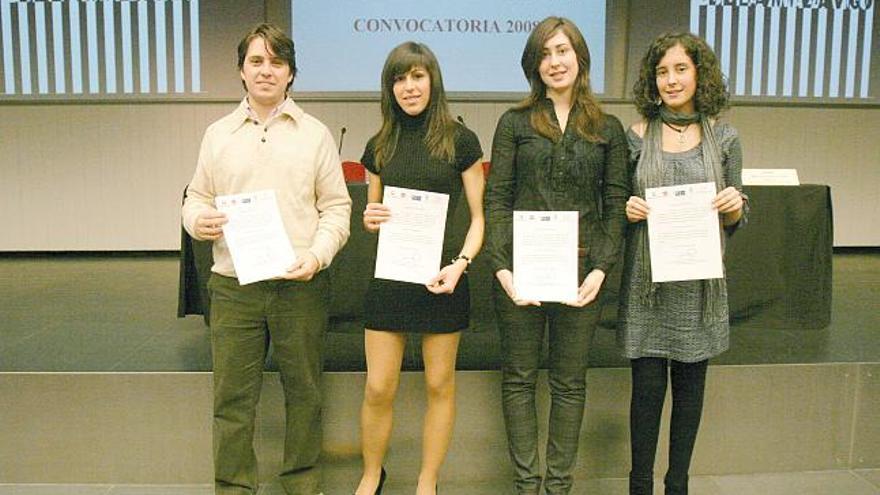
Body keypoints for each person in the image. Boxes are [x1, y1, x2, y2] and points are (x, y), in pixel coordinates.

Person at [181, 23, 351, 495]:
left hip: (300, 285)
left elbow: (337, 208)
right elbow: (195, 197)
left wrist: (317, 256)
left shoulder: (314, 135)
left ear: (291, 73)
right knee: (232, 400)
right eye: (256, 61)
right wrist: (199, 221)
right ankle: (233, 488)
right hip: (234, 286)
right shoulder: (217, 135)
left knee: (305, 395)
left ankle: (301, 485)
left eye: (276, 62)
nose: (266, 71)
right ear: (241, 70)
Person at [484, 16, 629, 495]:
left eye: (563, 50)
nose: (555, 61)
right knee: (520, 381)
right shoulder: (513, 123)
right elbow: (497, 199)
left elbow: (615, 204)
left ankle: (558, 487)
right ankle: (527, 486)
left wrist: (601, 270)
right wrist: (502, 267)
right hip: (518, 275)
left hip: (582, 276)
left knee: (569, 384)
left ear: (580, 57)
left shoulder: (608, 127)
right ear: (534, 64)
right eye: (545, 53)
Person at [619, 31, 748, 495]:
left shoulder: (725, 136)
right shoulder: (634, 135)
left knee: (689, 399)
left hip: (699, 289)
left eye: (680, 69)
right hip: (647, 288)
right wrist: (626, 208)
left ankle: (678, 485)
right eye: (662, 71)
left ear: (699, 74)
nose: (671, 80)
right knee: (647, 398)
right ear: (652, 80)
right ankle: (639, 486)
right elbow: (614, 203)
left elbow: (736, 216)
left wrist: (733, 204)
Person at [353, 42, 484, 495]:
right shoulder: (379, 145)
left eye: (417, 76)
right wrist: (369, 218)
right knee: (378, 387)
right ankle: (372, 475)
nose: (409, 87)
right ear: (390, 87)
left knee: (439, 384)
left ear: (433, 80)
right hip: (391, 278)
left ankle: (427, 482)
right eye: (399, 78)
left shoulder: (460, 140)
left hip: (443, 280)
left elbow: (479, 220)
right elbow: (373, 214)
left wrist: (460, 265)